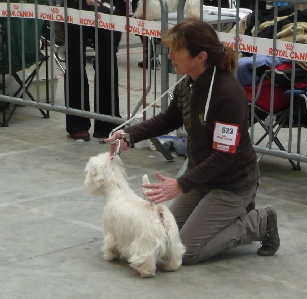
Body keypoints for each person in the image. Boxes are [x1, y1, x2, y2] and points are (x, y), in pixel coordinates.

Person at [105, 19, 280, 265]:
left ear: (201, 56)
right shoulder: (189, 84)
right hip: (202, 177)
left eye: (176, 51)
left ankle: (259, 221)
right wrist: (129, 136)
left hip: (232, 184)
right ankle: (221, 216)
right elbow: (168, 119)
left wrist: (180, 185)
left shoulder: (229, 95)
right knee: (164, 237)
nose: (170, 56)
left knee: (184, 252)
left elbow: (223, 156)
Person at [65, 0, 125, 141]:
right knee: (75, 61)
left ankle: (107, 122)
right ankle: (77, 123)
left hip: (109, 7)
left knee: (107, 61)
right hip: (76, 8)